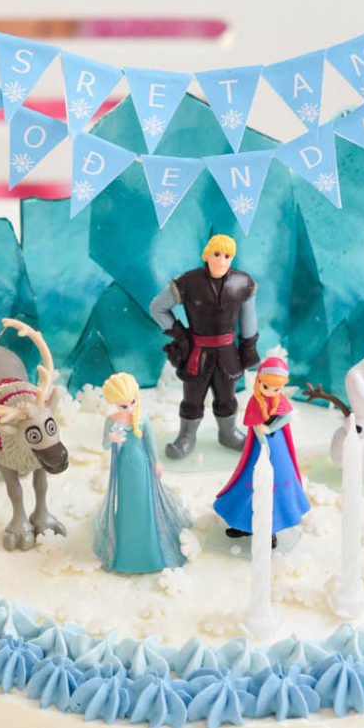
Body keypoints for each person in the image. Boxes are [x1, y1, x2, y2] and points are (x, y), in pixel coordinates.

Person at [149, 234, 259, 459]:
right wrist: (179, 334)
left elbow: (249, 315)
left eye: (227, 256)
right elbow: (158, 307)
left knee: (227, 397)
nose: (221, 260)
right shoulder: (188, 282)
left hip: (228, 354)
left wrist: (248, 346)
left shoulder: (242, 283)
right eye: (217, 254)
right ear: (207, 254)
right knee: (192, 398)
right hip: (197, 354)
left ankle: (228, 433)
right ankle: (186, 437)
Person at [93, 372, 190, 575]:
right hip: (124, 466)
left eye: (132, 403)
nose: (129, 408)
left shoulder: (142, 418)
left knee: (145, 501)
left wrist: (156, 462)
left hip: (142, 464)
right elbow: (104, 445)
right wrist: (112, 437)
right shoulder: (111, 420)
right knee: (127, 502)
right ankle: (127, 547)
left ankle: (150, 548)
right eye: (123, 406)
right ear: (114, 404)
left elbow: (152, 443)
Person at [214, 355, 310, 543]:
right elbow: (256, 427)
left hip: (278, 446)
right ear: (259, 381)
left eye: (276, 388)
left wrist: (270, 428)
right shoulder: (255, 401)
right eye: (267, 387)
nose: (271, 392)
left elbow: (286, 416)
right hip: (259, 448)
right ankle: (243, 523)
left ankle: (271, 528)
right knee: (250, 481)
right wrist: (264, 441)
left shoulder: (279, 400)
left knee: (277, 480)